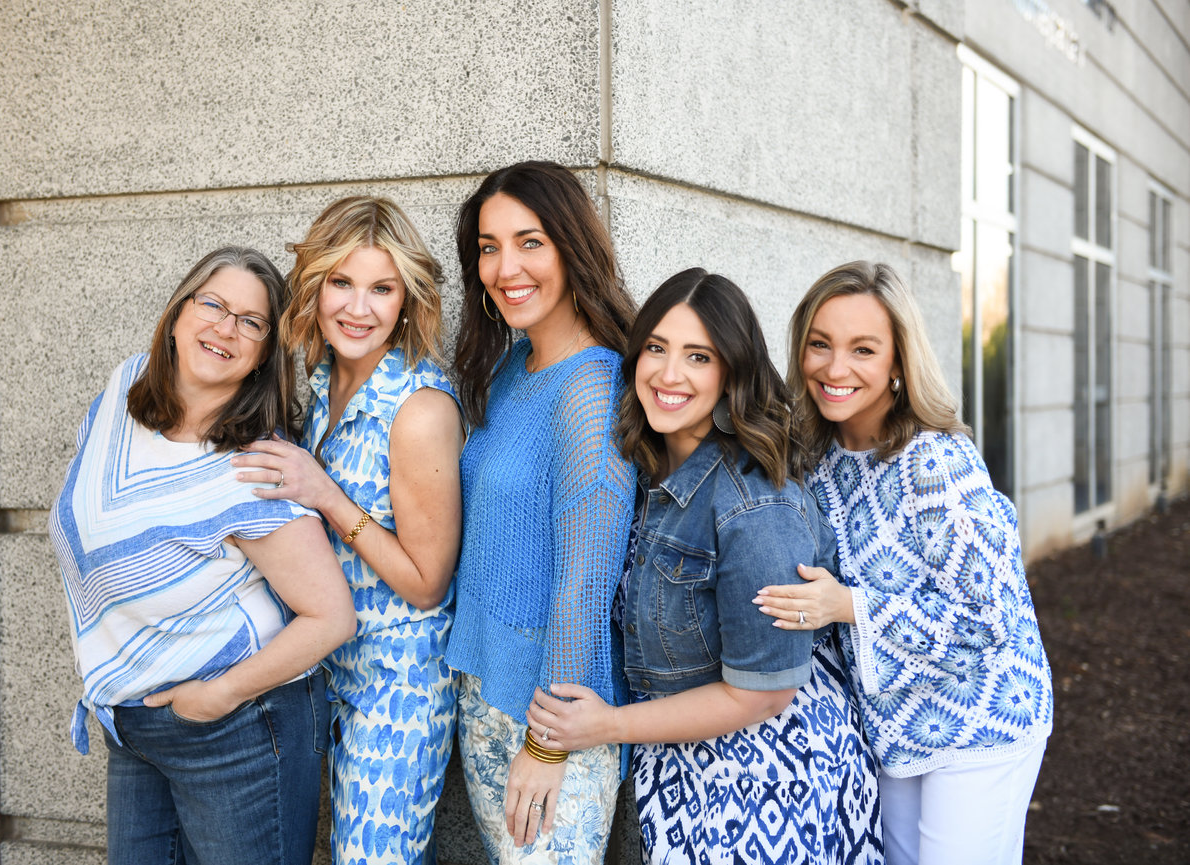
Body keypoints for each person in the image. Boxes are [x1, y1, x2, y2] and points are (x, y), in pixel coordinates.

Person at [525, 269, 885, 864]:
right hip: (684, 773)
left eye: (698, 357)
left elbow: (761, 696)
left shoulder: (755, 505)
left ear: (732, 375)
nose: (669, 375)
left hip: (772, 783)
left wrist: (605, 726)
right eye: (657, 349)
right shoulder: (644, 470)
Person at [50, 246, 356, 865]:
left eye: (251, 321)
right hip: (133, 726)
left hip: (236, 729)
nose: (225, 328)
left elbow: (332, 618)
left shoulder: (253, 466)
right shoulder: (124, 391)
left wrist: (219, 695)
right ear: (179, 310)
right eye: (213, 304)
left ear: (265, 353)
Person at [755, 260, 1053, 865]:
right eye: (820, 345)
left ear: (898, 361)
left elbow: (985, 623)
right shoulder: (814, 457)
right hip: (893, 727)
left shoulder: (938, 463)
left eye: (863, 349)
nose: (835, 369)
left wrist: (848, 605)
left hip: (981, 718)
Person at [230, 197, 463, 864]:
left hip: (398, 689)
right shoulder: (323, 381)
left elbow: (426, 583)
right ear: (314, 285)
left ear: (406, 300)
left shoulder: (417, 409)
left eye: (381, 288)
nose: (358, 308)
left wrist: (324, 492)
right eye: (341, 282)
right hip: (322, 674)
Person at [445, 160, 638, 862]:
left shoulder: (593, 387)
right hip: (485, 693)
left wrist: (545, 742)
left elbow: (584, 582)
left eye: (529, 242)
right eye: (488, 247)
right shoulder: (510, 367)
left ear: (571, 247)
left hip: (549, 718)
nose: (505, 266)